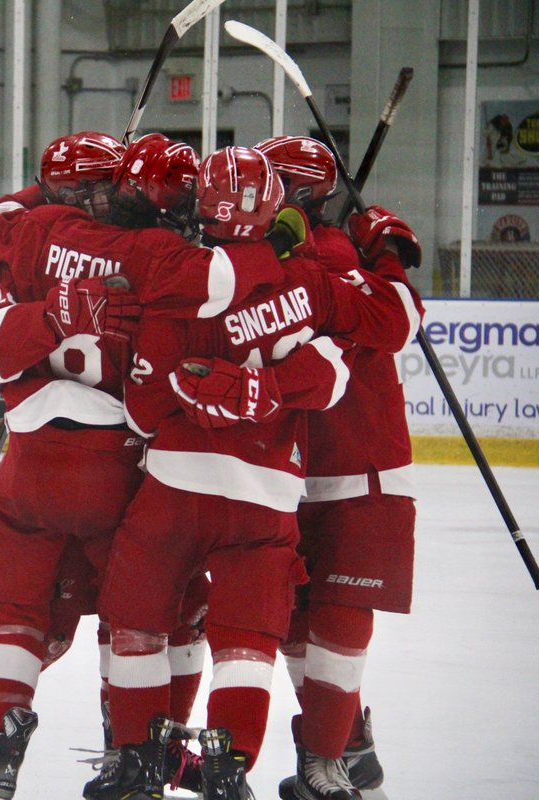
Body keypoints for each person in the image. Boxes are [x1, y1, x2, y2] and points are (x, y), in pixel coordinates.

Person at [0, 131, 297, 800]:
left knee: (24, 612)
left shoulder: (35, 230)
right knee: (148, 616)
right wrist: (276, 239)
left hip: (32, 461)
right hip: (119, 471)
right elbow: (215, 293)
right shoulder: (159, 256)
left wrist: (49, 312)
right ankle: (139, 748)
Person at [85, 146, 422, 800]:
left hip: (197, 484)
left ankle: (138, 756)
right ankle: (237, 760)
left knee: (143, 620)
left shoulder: (181, 277)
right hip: (273, 491)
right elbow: (340, 364)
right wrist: (383, 254)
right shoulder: (310, 277)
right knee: (254, 638)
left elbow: (146, 408)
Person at [255, 135, 424, 800]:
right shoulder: (304, 254)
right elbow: (401, 313)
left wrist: (375, 257)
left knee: (327, 617)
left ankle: (329, 760)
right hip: (298, 472)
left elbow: (399, 321)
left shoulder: (324, 256)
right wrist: (385, 251)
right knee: (298, 622)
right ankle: (347, 751)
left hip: (357, 467)